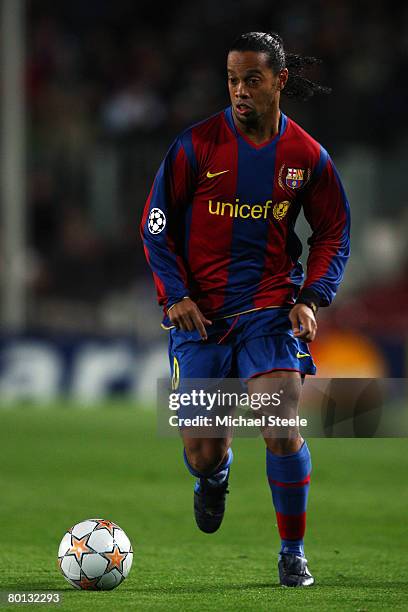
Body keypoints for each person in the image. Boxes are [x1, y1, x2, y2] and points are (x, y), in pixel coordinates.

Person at [141, 31, 350, 587]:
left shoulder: (306, 156)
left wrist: (311, 296)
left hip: (270, 310)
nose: (240, 91)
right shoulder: (195, 146)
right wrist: (175, 295)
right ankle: (215, 475)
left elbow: (333, 231)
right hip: (201, 319)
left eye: (252, 80)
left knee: (279, 422)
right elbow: (155, 228)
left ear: (279, 82)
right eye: (233, 80)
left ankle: (292, 552)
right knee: (204, 453)